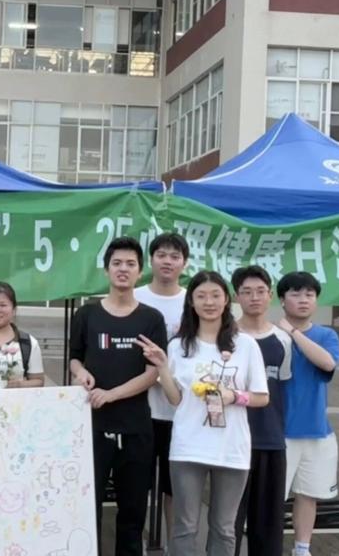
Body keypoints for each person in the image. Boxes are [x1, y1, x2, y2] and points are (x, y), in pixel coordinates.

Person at [138, 270, 269, 556]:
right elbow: (175, 399)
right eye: (201, 296)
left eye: (215, 295)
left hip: (231, 447)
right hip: (188, 446)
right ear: (191, 302)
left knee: (224, 528)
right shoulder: (178, 346)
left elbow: (262, 396)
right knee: (185, 526)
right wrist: (162, 367)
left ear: (227, 300)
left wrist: (233, 396)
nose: (209, 302)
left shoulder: (245, 345)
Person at [69, 236, 168, 556]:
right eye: (117, 263)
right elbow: (75, 357)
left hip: (136, 427)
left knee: (132, 512)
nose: (123, 269)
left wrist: (111, 394)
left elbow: (153, 373)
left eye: (130, 264)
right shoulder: (87, 314)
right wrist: (80, 372)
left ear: (140, 271)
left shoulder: (151, 319)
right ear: (106, 269)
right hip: (92, 427)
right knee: (88, 507)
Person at [278, 271, 339, 556]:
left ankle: (302, 548)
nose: (303, 300)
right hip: (279, 431)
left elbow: (327, 364)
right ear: (282, 300)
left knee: (309, 494)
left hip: (317, 430)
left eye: (309, 294)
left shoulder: (326, 335)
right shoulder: (270, 335)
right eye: (295, 294)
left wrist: (294, 333)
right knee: (272, 496)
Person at [231, 266, 293, 556]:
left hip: (270, 440)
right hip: (232, 443)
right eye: (246, 292)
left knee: (268, 524)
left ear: (270, 295)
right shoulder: (226, 337)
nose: (254, 297)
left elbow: (283, 386)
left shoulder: (283, 339)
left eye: (260, 291)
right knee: (227, 522)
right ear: (236, 297)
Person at [134, 232, 189, 544]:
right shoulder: (135, 297)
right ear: (151, 260)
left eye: (175, 256)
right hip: (139, 408)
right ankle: (139, 544)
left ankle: (172, 547)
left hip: (180, 411)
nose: (168, 261)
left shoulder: (193, 301)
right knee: (136, 484)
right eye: (162, 255)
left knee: (175, 488)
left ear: (185, 263)